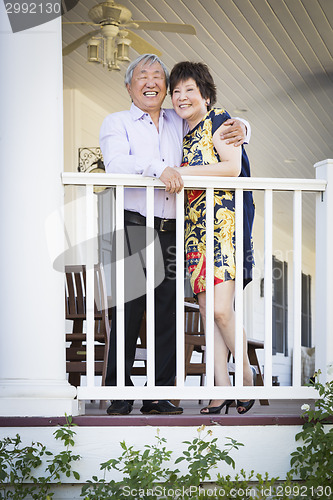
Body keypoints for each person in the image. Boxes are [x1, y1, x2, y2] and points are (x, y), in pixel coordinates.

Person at [99, 53, 249, 416]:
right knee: (130, 311)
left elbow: (209, 123)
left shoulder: (174, 120)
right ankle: (119, 394)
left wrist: (242, 126)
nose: (151, 82)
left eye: (157, 77)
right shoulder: (117, 122)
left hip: (172, 229)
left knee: (166, 313)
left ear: (164, 88)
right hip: (135, 224)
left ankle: (160, 395)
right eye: (142, 76)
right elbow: (117, 163)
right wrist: (158, 168)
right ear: (129, 86)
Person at [169, 61, 255, 415]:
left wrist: (183, 172)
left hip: (223, 226)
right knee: (208, 311)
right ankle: (220, 391)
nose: (182, 97)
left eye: (190, 90)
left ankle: (246, 377)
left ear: (205, 94)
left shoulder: (220, 122)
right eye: (176, 92)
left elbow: (231, 167)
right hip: (194, 231)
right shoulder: (182, 133)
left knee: (221, 309)